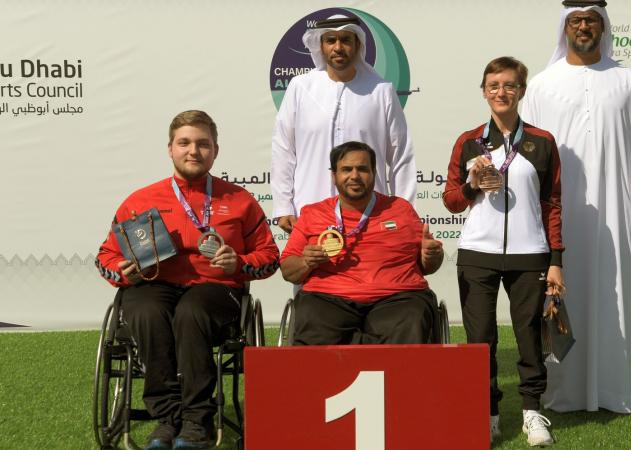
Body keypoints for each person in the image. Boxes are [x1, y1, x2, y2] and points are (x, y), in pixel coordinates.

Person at [95, 110, 281, 450]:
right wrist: (123, 269)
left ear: (215, 151)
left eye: (202, 144)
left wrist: (238, 263)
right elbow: (104, 258)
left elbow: (269, 259)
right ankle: (167, 418)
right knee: (147, 311)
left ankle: (196, 420)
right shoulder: (141, 200)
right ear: (170, 149)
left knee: (191, 313)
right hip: (154, 284)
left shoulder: (240, 200)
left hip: (215, 289)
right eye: (184, 143)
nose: (193, 151)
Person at [520, 0, 631, 414]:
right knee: (561, 298)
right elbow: (530, 157)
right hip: (560, 215)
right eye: (576, 20)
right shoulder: (544, 84)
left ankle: (613, 393)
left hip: (617, 213)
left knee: (615, 298)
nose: (583, 27)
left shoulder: (628, 81)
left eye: (591, 20)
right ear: (565, 26)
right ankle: (561, 394)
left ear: (603, 26)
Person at [443, 57, 565, 447]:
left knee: (529, 334)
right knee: (481, 339)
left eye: (509, 85)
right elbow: (451, 202)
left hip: (530, 254)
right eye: (493, 85)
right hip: (477, 254)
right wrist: (472, 185)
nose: (501, 92)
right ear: (483, 91)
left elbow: (553, 205)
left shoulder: (542, 142)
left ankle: (532, 413)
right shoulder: (468, 142)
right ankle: (488, 414)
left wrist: (556, 261)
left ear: (522, 91)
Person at [280, 141, 443, 345]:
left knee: (412, 316)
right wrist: (306, 261)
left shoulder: (401, 209)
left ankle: (402, 377)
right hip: (328, 299)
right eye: (346, 169)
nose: (354, 176)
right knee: (313, 318)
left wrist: (431, 256)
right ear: (334, 176)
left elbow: (428, 266)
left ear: (374, 173)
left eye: (362, 169)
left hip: (398, 298)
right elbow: (288, 271)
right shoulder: (312, 213)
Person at [271, 15, 417, 234]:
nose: (338, 47)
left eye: (345, 40)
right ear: (320, 45)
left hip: (370, 216)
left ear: (357, 44)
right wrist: (283, 205)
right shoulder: (300, 88)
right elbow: (283, 149)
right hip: (310, 210)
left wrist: (404, 212)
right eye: (331, 40)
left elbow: (401, 157)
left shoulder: (381, 91)